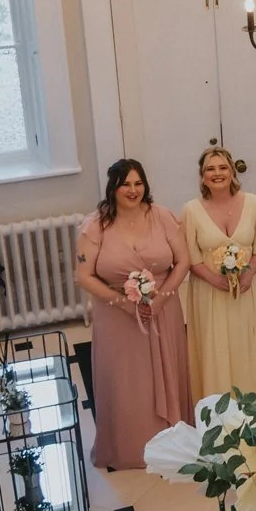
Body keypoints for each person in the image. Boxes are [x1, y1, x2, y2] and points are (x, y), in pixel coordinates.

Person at [74, 159, 192, 472]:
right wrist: (124, 304)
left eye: (138, 183)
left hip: (162, 309)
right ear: (113, 187)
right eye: (126, 184)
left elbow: (183, 261)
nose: (133, 190)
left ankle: (171, 439)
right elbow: (84, 275)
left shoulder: (163, 216)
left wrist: (161, 298)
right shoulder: (95, 225)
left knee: (168, 368)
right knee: (126, 378)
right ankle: (129, 446)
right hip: (116, 316)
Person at [181, 145, 256, 400]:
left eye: (223, 167)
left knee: (248, 346)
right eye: (210, 169)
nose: (217, 173)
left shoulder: (253, 202)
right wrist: (214, 279)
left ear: (232, 171)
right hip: (209, 293)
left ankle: (255, 406)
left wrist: (249, 274)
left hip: (246, 291)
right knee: (216, 350)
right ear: (202, 177)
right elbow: (189, 257)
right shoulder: (191, 210)